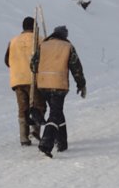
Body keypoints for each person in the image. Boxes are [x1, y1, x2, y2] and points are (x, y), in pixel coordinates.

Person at [33, 24, 87, 157]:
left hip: (43, 84)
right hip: (59, 85)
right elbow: (76, 68)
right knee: (55, 114)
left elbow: (33, 65)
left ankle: (62, 142)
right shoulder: (68, 47)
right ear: (64, 35)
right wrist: (81, 85)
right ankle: (46, 143)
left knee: (57, 112)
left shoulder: (43, 45)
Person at [4, 16, 38, 146]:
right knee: (37, 105)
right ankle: (36, 130)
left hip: (17, 79)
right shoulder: (39, 40)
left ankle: (24, 137)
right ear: (34, 27)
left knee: (22, 107)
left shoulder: (13, 41)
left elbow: (7, 61)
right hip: (34, 79)